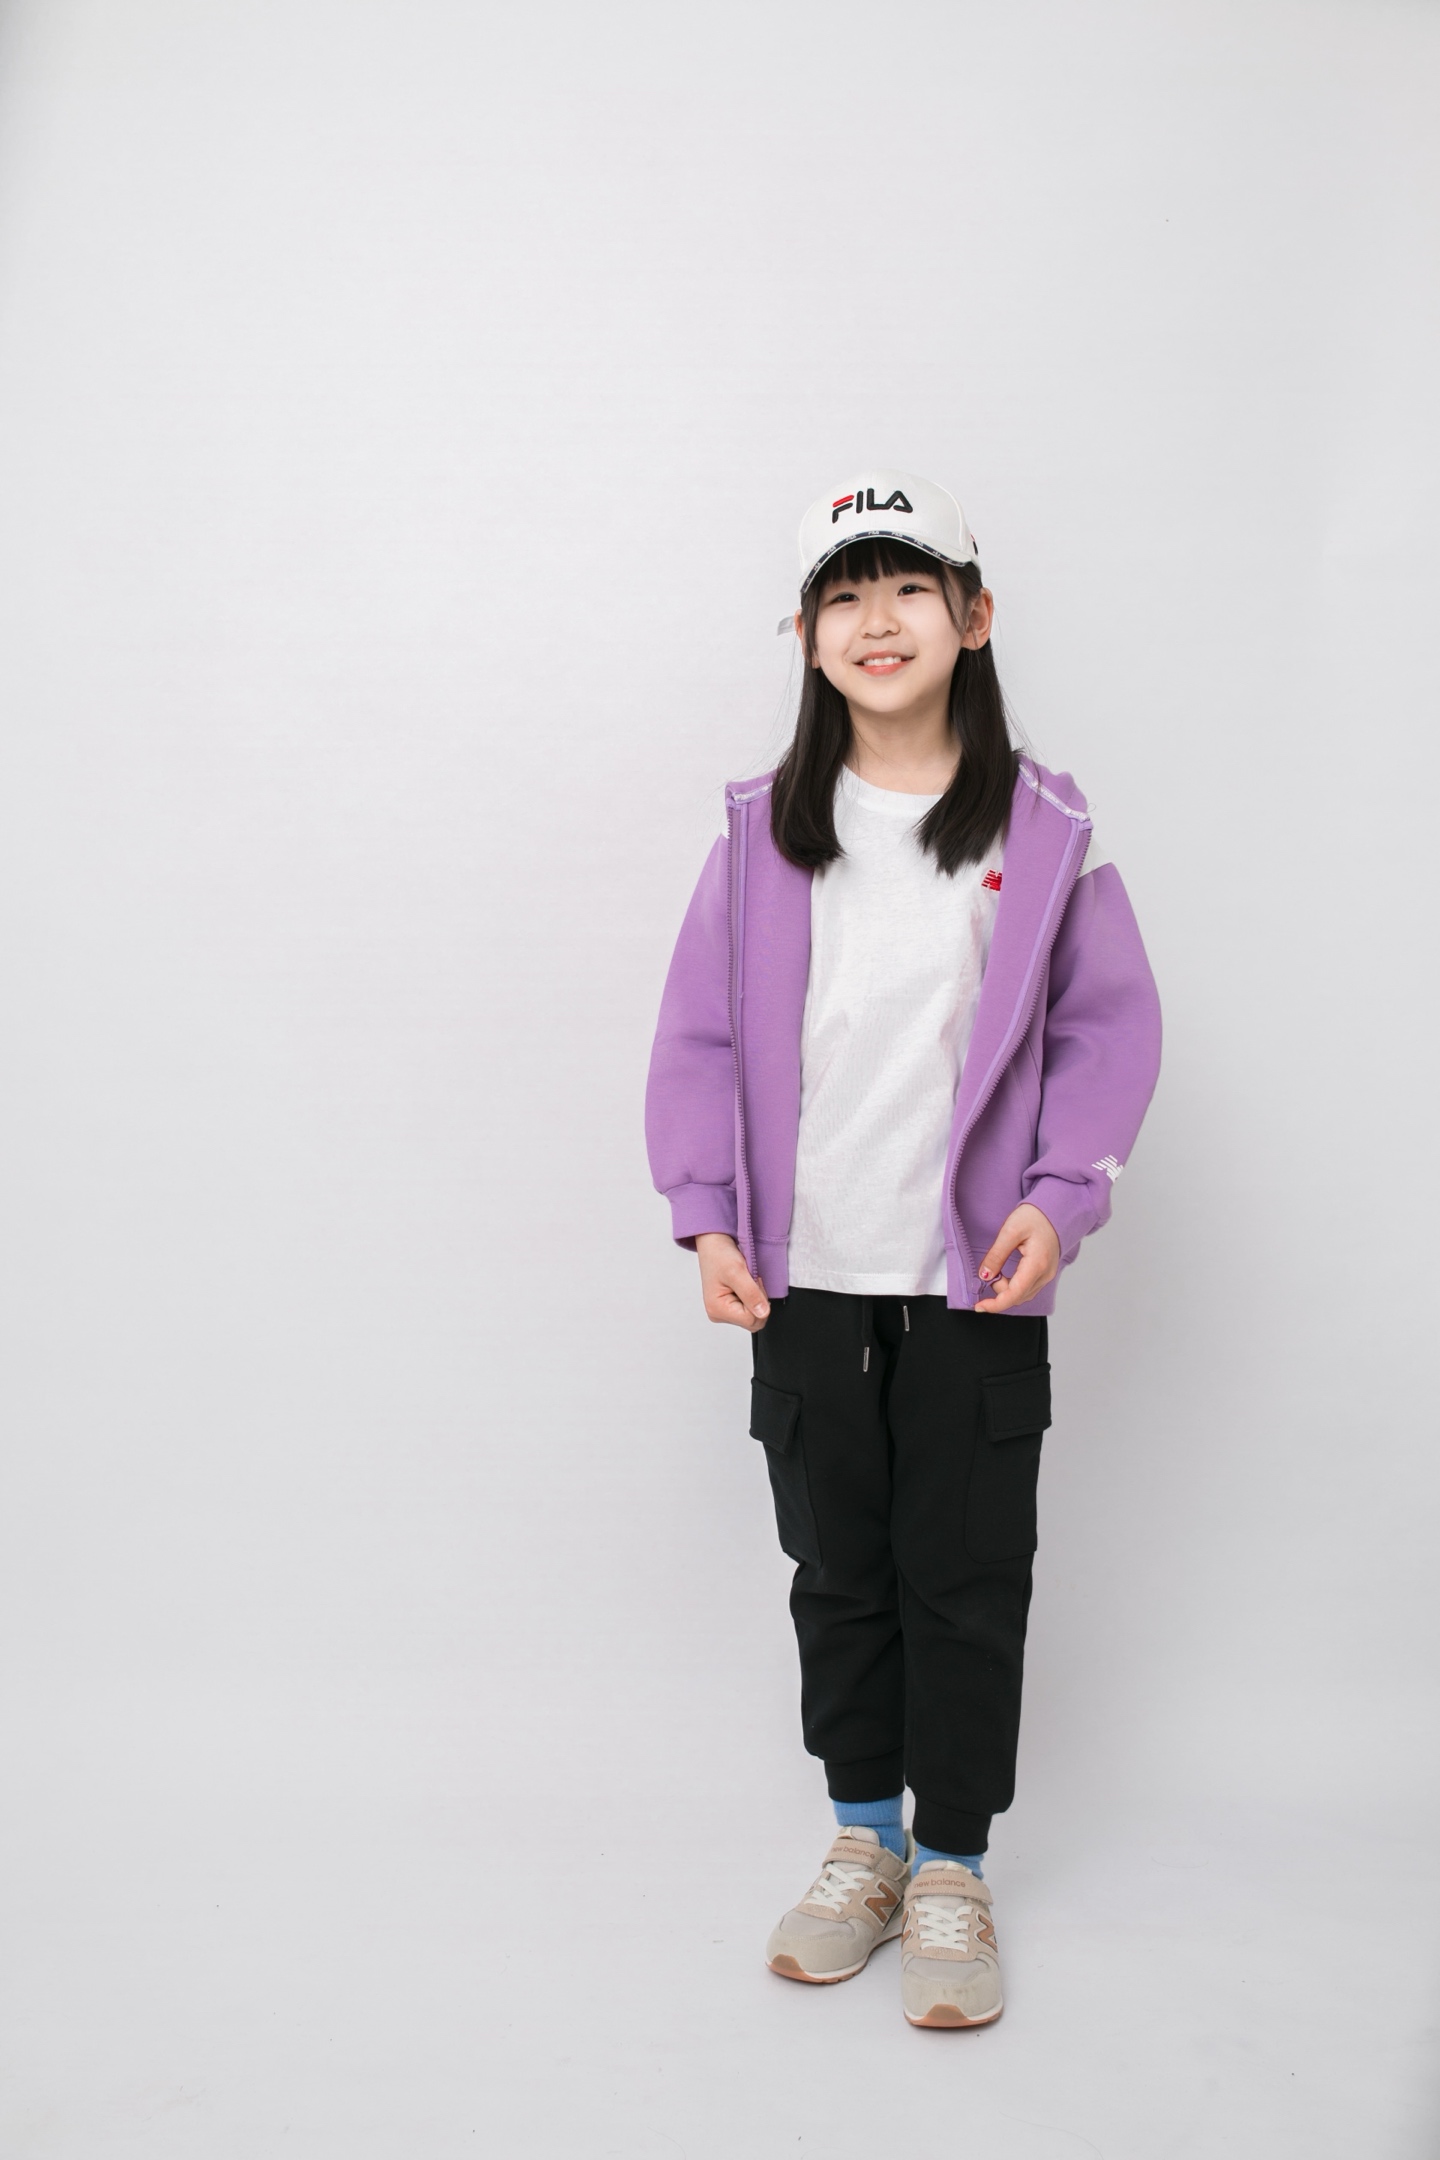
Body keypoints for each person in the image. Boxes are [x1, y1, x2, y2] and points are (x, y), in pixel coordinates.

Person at [644, 470, 1162, 2029]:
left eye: (910, 587)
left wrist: (1061, 1197)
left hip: (975, 1285)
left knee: (967, 1575)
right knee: (839, 1571)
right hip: (804, 1280)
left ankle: (952, 1866)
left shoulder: (1045, 832)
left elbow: (1105, 1032)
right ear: (807, 637)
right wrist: (707, 1214)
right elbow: (697, 1035)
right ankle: (864, 1842)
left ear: (973, 617)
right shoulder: (760, 838)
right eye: (845, 596)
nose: (879, 621)